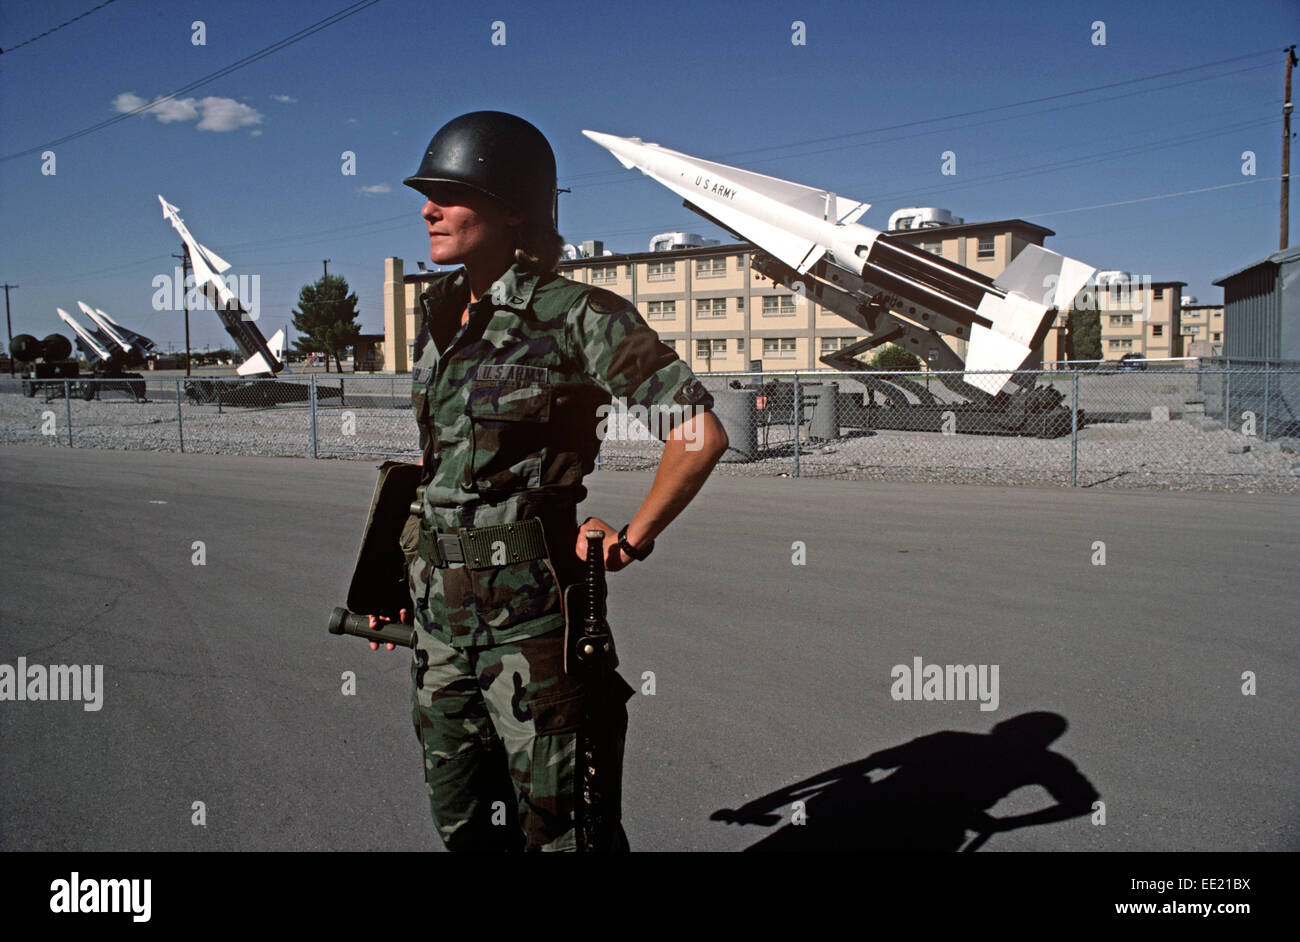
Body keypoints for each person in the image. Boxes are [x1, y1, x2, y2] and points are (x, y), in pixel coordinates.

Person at [369, 111, 728, 852]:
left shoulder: (578, 317)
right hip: (440, 626)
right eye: (426, 194)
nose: (428, 209)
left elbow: (697, 436)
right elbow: (438, 474)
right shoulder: (442, 318)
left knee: (561, 831)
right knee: (464, 824)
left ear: (511, 210)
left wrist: (631, 540)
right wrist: (385, 588)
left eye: (449, 194)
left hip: (533, 627)